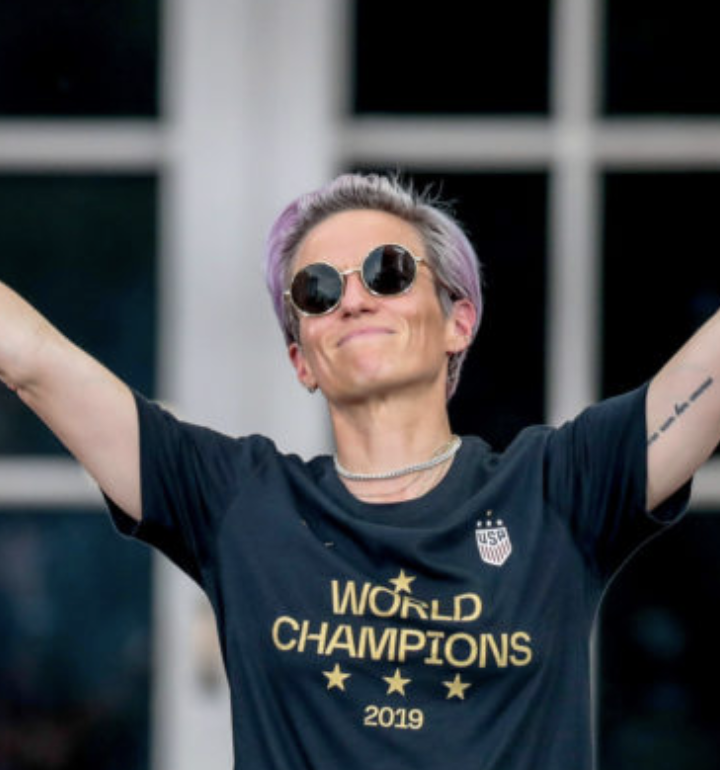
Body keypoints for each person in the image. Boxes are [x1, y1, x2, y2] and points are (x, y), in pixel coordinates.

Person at [0, 172, 719, 770]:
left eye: (389, 271)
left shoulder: (556, 488)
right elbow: (32, 360)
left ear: (459, 321)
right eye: (316, 290)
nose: (353, 298)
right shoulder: (238, 501)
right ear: (301, 360)